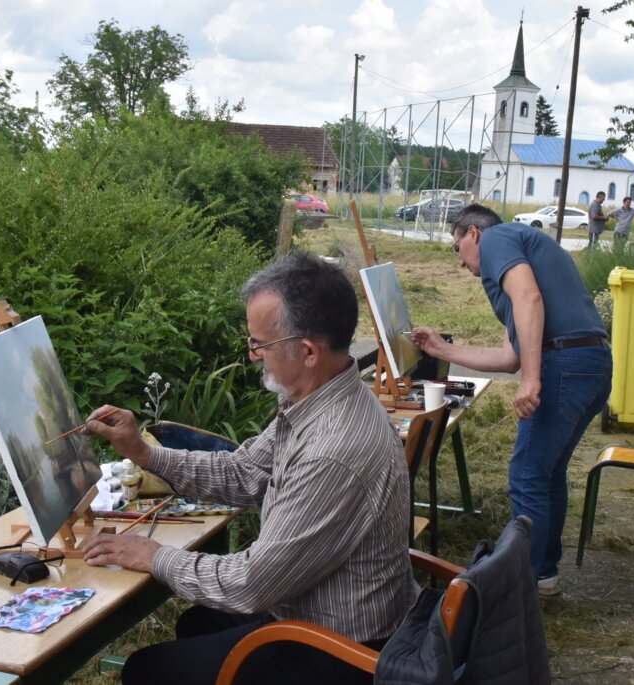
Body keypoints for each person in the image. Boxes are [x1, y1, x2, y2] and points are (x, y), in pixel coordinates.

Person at [81, 252, 416, 685]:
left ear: (308, 351)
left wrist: (154, 556)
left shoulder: (332, 450)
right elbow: (244, 472)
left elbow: (252, 584)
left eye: (260, 344)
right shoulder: (319, 399)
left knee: (147, 671)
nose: (254, 356)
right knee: (197, 623)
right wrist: (145, 454)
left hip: (343, 650)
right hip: (316, 606)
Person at [412, 205, 612, 596]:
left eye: (457, 247)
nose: (460, 262)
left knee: (527, 474)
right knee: (546, 472)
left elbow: (530, 299)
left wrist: (532, 380)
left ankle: (521, 586)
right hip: (592, 363)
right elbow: (508, 358)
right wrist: (442, 350)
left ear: (473, 233)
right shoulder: (516, 262)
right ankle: (543, 574)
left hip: (565, 362)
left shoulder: (498, 238)